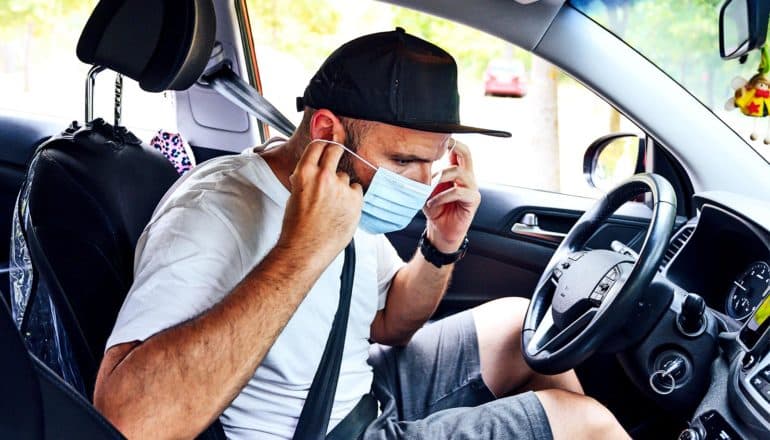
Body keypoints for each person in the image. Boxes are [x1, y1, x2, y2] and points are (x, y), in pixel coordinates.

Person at [93, 28, 629, 439]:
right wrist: (301, 250)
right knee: (583, 424)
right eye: (404, 160)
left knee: (521, 327)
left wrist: (440, 245)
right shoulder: (212, 214)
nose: (423, 182)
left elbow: (390, 322)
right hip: (316, 429)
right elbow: (127, 420)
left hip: (361, 391)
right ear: (327, 130)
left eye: (432, 161)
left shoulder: (342, 186)